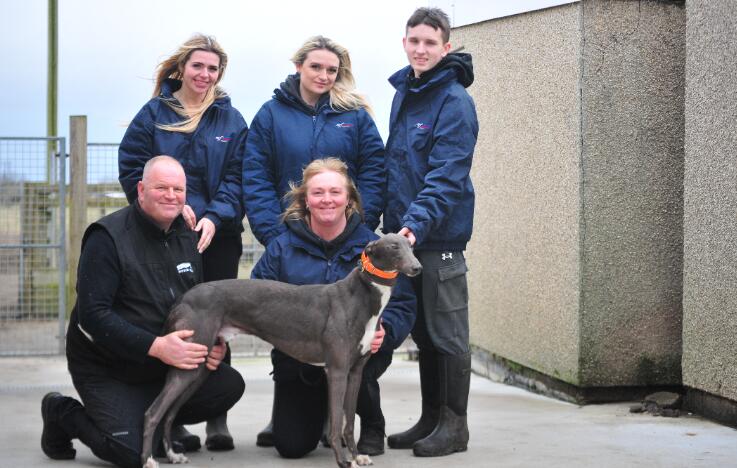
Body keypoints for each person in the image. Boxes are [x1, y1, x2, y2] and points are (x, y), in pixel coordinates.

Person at [40, 156, 245, 468]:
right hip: (108, 365)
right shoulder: (106, 238)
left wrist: (213, 345)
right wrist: (158, 347)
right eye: (161, 187)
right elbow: (93, 315)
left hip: (159, 364)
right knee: (131, 453)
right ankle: (61, 412)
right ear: (140, 189)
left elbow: (201, 305)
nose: (171, 195)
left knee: (228, 386)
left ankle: (152, 418)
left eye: (178, 189)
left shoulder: (187, 237)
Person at [118, 33, 246, 451]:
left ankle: (215, 417)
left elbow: (238, 177)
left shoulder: (232, 121)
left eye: (212, 68)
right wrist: (169, 211)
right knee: (172, 320)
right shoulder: (155, 113)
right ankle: (174, 416)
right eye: (198, 66)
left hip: (217, 237)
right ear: (181, 69)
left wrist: (215, 215)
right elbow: (133, 166)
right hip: (166, 237)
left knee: (219, 322)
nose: (204, 75)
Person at [251, 158, 416, 458]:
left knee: (357, 360)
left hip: (358, 358)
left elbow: (403, 303)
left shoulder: (375, 247)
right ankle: (322, 416)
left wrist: (386, 329)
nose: (327, 199)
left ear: (349, 199)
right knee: (291, 446)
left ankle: (371, 424)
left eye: (335, 192)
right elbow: (257, 299)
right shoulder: (282, 247)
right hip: (300, 360)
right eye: (317, 193)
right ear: (305, 200)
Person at [382, 7, 479, 458]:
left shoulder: (454, 100)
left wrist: (413, 228)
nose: (420, 49)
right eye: (414, 41)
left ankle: (454, 427)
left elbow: (446, 175)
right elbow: (396, 167)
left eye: (430, 43)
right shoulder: (405, 93)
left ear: (446, 47)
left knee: (448, 335)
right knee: (422, 333)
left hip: (435, 242)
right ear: (405, 43)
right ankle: (430, 418)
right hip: (406, 240)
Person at [244, 35, 385, 248]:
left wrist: (360, 226)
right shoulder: (271, 115)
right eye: (316, 67)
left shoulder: (355, 116)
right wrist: (275, 235)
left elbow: (374, 173)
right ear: (299, 66)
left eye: (331, 70)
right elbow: (257, 177)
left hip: (346, 239)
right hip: (288, 238)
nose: (323, 76)